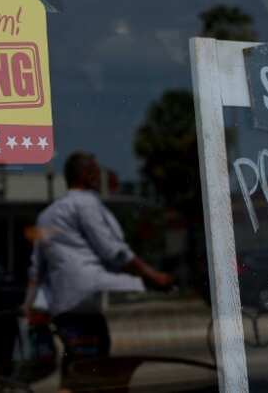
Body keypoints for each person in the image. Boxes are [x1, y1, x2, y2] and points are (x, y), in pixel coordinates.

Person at [24, 151, 173, 390]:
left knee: (76, 367)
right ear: (84, 174)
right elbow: (112, 250)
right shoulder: (86, 204)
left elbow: (36, 269)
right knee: (94, 370)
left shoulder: (46, 216)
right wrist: (152, 275)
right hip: (86, 303)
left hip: (62, 306)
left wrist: (28, 306)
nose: (98, 175)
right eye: (94, 170)